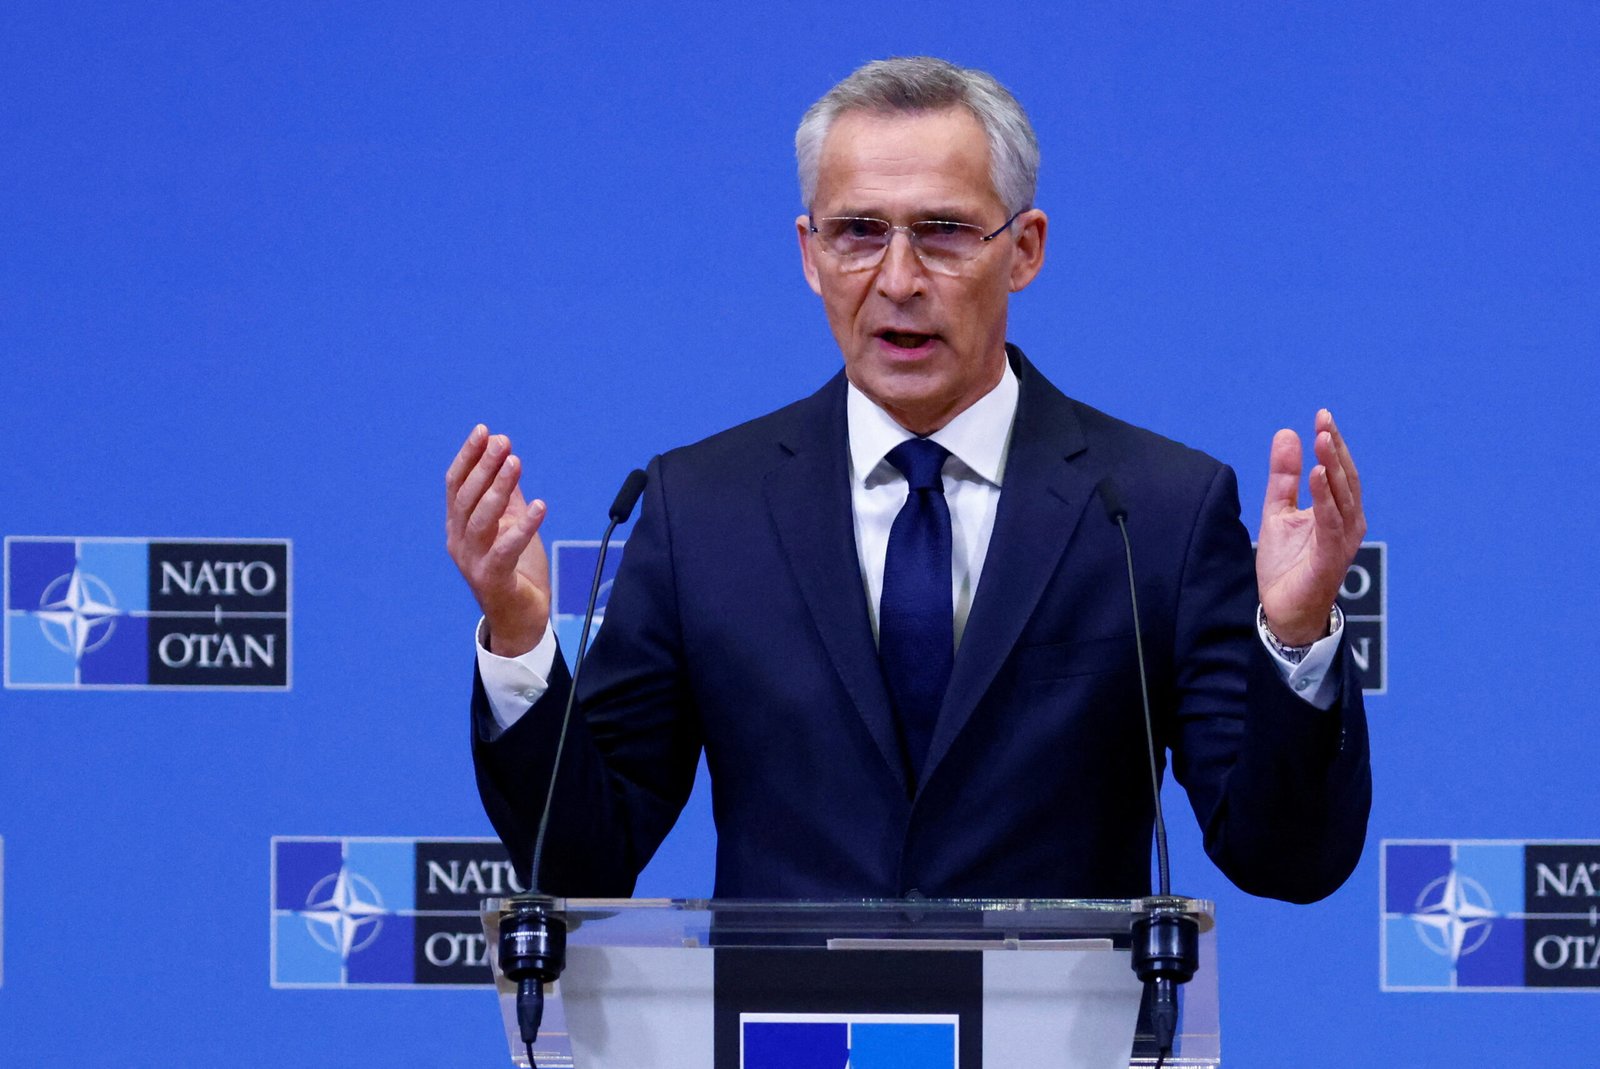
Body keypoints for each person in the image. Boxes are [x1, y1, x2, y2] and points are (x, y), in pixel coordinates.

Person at [447, 57, 1370, 903]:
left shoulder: (1157, 510)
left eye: (943, 232)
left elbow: (1284, 858)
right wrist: (526, 642)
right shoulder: (703, 511)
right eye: (858, 233)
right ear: (809, 254)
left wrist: (1292, 639)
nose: (897, 279)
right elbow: (585, 863)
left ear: (1026, 248)